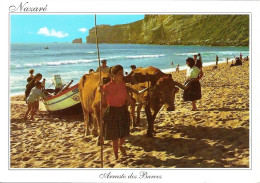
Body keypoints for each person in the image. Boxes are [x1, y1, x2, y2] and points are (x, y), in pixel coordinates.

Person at [100, 65, 133, 160]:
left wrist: (130, 99)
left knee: (124, 134)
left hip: (122, 110)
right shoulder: (108, 86)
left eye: (122, 73)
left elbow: (125, 94)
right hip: (112, 112)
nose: (122, 76)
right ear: (113, 76)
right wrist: (100, 90)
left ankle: (121, 145)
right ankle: (116, 156)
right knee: (115, 137)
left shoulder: (122, 83)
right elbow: (103, 98)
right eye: (119, 74)